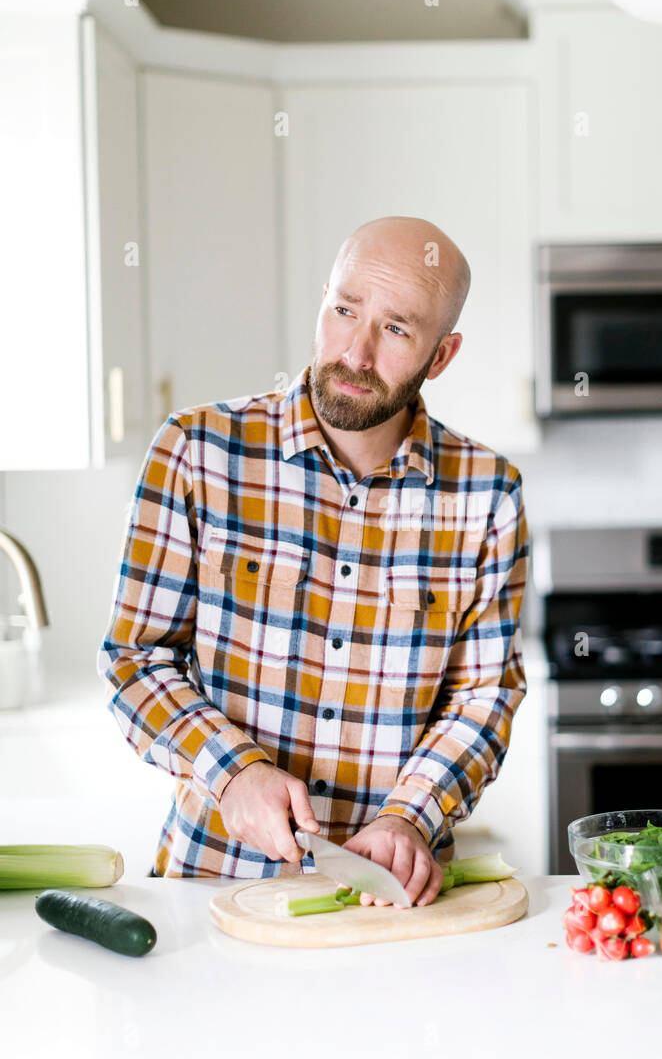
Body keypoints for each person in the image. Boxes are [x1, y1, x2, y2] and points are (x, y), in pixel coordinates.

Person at [98, 215, 529, 906]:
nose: (355, 353)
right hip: (213, 889)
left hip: (389, 904)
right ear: (322, 301)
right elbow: (134, 659)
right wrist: (233, 772)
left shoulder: (487, 496)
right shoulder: (196, 452)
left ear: (440, 356)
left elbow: (484, 697)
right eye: (344, 310)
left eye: (395, 329)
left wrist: (406, 817)